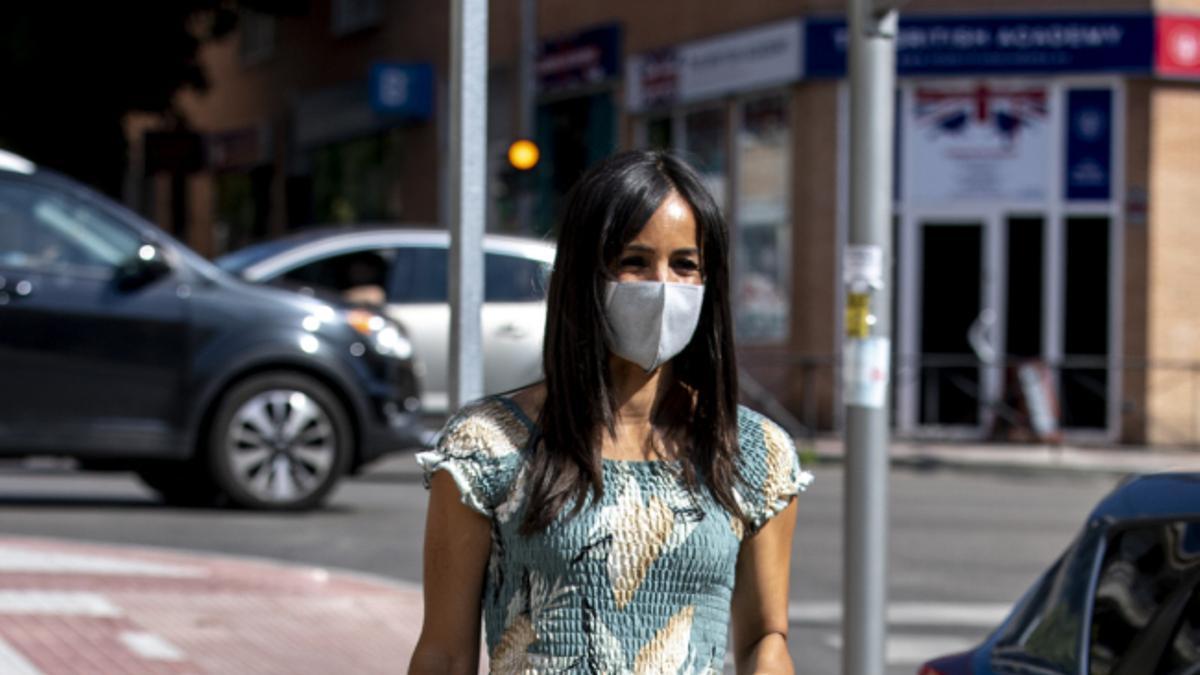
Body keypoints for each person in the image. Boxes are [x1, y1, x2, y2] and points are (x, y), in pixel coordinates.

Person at [409, 150, 813, 674]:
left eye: (685, 264)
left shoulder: (754, 454)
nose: (662, 286)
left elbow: (765, 638)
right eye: (634, 261)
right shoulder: (487, 447)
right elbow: (445, 650)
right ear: (585, 272)